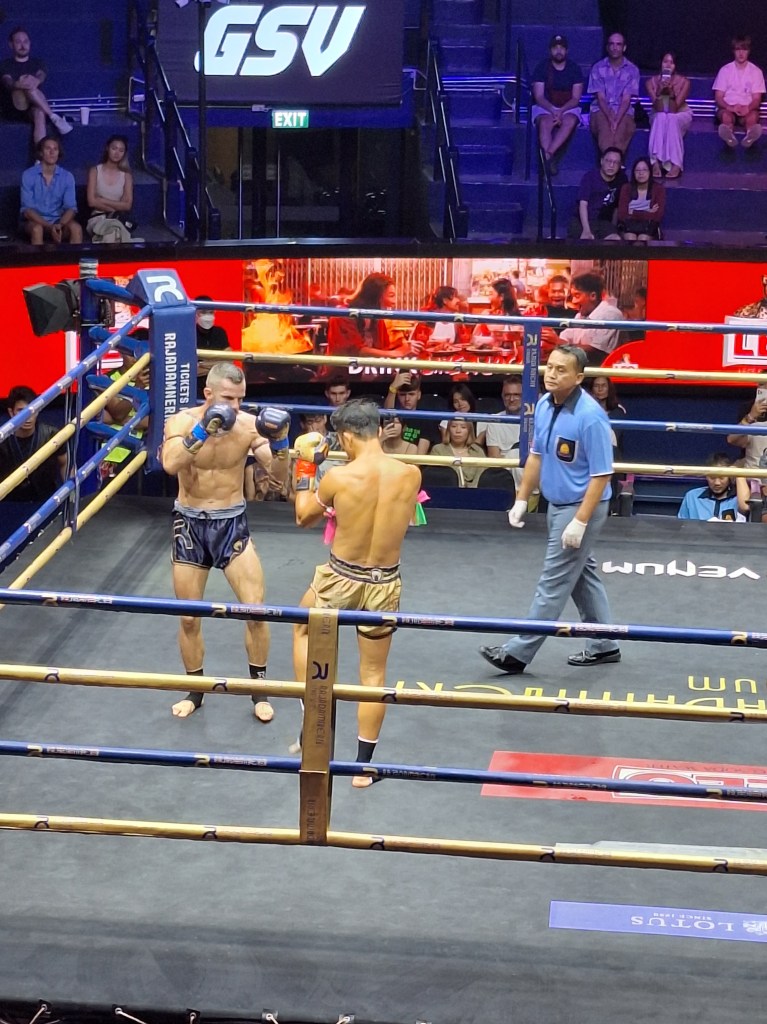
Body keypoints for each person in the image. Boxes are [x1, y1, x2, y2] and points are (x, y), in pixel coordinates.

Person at [292, 399, 421, 787]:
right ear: (379, 431)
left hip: (340, 577)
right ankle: (363, 768)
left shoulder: (339, 477)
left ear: (346, 437)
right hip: (385, 582)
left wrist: (306, 465)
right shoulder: (411, 474)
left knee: (302, 629)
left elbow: (303, 516)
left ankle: (312, 725)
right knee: (374, 672)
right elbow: (407, 518)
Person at [161, 362, 291, 721]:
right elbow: (170, 464)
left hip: (231, 523)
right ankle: (195, 692)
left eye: (240, 399)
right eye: (228, 398)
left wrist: (281, 444)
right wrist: (203, 430)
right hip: (190, 524)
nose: (235, 406)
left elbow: (279, 478)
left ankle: (259, 691)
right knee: (189, 618)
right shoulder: (182, 422)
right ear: (208, 394)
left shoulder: (249, 426)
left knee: (256, 610)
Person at [478, 345, 619, 674]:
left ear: (579, 377)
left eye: (561, 370)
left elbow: (602, 475)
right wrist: (521, 498)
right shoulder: (543, 405)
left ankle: (517, 653)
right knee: (582, 576)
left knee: (553, 581)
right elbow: (536, 455)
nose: (552, 374)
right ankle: (604, 643)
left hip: (581, 506)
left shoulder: (591, 417)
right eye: (550, 367)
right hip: (556, 503)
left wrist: (580, 521)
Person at [0, 26, 72, 142]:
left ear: (30, 43)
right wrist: (18, 84)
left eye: (25, 41)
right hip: (13, 109)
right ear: (11, 45)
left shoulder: (37, 63)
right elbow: (7, 81)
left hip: (32, 107)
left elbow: (41, 75)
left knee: (39, 112)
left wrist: (35, 81)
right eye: (18, 42)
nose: (23, 45)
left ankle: (40, 152)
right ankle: (53, 116)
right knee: (29, 86)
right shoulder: (5, 64)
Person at [0, 385, 67, 500]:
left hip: (45, 501)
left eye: (32, 411)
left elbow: (65, 464)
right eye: (21, 411)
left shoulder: (51, 435)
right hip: (8, 503)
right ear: (11, 412)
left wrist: (70, 494)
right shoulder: (2, 439)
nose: (28, 417)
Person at [531, 34, 585, 172]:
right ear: (550, 50)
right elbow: (539, 96)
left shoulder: (574, 68)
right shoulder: (542, 67)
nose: (559, 51)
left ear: (567, 50)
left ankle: (548, 156)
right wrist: (553, 110)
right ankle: (549, 163)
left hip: (568, 107)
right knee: (545, 122)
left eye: (562, 48)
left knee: (570, 121)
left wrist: (561, 111)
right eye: (555, 48)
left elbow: (575, 98)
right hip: (546, 106)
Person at [326, 273, 406, 358]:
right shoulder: (343, 315)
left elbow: (383, 347)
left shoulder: (377, 317)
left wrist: (403, 347)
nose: (394, 302)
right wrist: (396, 353)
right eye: (391, 296)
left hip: (371, 365)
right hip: (345, 365)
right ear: (375, 296)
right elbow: (355, 351)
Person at [20, 136, 82, 245]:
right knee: (37, 229)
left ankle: (74, 256)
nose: (52, 152)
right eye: (48, 148)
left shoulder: (67, 176)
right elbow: (28, 211)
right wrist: (49, 226)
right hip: (34, 222)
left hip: (59, 221)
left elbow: (71, 208)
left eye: (55, 149)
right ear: (41, 152)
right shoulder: (28, 175)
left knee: (76, 228)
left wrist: (60, 225)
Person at [588, 32, 640, 155]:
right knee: (606, 129)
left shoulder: (632, 70)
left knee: (620, 131)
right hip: (600, 109)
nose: (614, 47)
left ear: (624, 48)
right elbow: (601, 98)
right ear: (607, 47)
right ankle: (611, 162)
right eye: (611, 44)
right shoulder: (597, 68)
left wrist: (616, 120)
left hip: (624, 110)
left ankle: (611, 162)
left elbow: (626, 100)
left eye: (618, 44)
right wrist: (610, 118)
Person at [557, 271, 624, 365]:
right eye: (572, 296)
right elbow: (565, 337)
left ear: (593, 296)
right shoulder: (580, 315)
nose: (573, 301)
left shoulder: (610, 314)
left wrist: (560, 343)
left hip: (601, 369)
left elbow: (594, 352)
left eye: (577, 295)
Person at [713, 35, 765, 149]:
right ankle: (728, 135)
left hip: (747, 109)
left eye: (744, 49)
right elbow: (719, 97)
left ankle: (750, 136)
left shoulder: (756, 72)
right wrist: (730, 107)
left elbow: (757, 99)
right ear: (733, 51)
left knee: (752, 117)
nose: (741, 53)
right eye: (738, 49)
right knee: (726, 116)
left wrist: (748, 108)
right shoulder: (725, 70)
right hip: (728, 108)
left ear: (749, 51)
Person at [646, 52, 692, 178]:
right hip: (658, 114)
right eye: (665, 62)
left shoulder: (684, 82)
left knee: (671, 118)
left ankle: (676, 164)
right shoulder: (651, 82)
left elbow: (674, 109)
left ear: (675, 66)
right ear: (660, 63)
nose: (668, 65)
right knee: (661, 117)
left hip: (680, 113)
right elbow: (659, 108)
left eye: (671, 63)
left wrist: (671, 93)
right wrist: (660, 91)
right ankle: (655, 162)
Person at [86, 135, 136, 244]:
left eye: (121, 150)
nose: (117, 153)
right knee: (112, 233)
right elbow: (92, 202)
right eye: (114, 148)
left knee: (114, 232)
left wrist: (102, 200)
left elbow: (127, 205)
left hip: (117, 219)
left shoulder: (126, 175)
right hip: (98, 218)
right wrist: (115, 208)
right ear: (107, 148)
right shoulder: (95, 171)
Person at [568, 147, 627, 240]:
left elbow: (617, 207)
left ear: (620, 165)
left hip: (603, 222)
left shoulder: (622, 179)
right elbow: (583, 204)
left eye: (616, 162)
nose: (611, 165)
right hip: (582, 221)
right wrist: (586, 230)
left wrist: (613, 228)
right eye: (608, 161)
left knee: (615, 239)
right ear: (602, 161)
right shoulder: (590, 177)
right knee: (587, 240)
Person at [726, 383, 767, 516]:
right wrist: (751, 416)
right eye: (762, 385)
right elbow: (732, 439)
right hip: (756, 483)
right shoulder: (750, 412)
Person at [677, 453, 749, 521]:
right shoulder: (692, 497)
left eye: (722, 478)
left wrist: (738, 474)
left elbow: (745, 506)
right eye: (712, 477)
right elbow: (681, 525)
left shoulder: (738, 498)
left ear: (729, 477)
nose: (717, 483)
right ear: (706, 476)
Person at [383, 371, 441, 454]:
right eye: (402, 395)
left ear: (419, 395)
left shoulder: (425, 418)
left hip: (411, 460)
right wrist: (393, 388)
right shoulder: (395, 417)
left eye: (411, 394)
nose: (407, 399)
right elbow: (387, 413)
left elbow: (419, 456)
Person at [485, 376, 523, 489]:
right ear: (502, 397)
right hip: (504, 475)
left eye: (516, 395)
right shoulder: (494, 420)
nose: (511, 399)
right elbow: (495, 460)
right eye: (507, 395)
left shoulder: (535, 420)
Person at [617, 157, 666, 241]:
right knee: (630, 238)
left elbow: (657, 216)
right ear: (633, 173)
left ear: (650, 172)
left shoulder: (658, 189)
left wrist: (632, 211)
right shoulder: (626, 188)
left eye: (644, 170)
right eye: (637, 170)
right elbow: (622, 215)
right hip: (628, 226)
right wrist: (647, 212)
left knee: (643, 238)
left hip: (649, 227)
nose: (641, 173)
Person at [432, 419, 486, 486]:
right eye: (454, 426)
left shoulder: (478, 451)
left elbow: (482, 477)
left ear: (469, 431)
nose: (458, 431)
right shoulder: (438, 450)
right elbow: (435, 477)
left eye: (463, 427)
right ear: (448, 430)